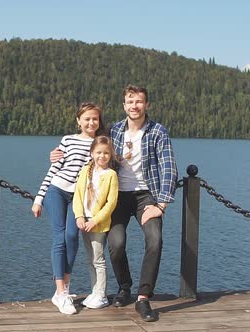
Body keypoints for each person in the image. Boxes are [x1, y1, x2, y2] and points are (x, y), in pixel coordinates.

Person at [50, 85, 178, 322]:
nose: (135, 106)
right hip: (118, 195)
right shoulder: (115, 130)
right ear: (124, 105)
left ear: (146, 105)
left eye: (139, 101)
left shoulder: (158, 132)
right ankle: (124, 287)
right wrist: (59, 153)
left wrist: (160, 204)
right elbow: (91, 143)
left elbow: (169, 168)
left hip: (146, 196)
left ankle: (143, 297)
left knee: (155, 239)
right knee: (116, 244)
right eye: (130, 102)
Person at [32, 102, 106, 315]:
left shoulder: (100, 144)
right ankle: (61, 291)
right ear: (78, 121)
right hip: (57, 191)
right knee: (59, 237)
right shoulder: (68, 140)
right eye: (87, 118)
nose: (91, 122)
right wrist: (39, 198)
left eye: (95, 118)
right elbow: (53, 169)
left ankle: (64, 287)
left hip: (79, 197)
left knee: (72, 236)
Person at [72, 136, 119, 309]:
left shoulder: (111, 175)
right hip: (84, 222)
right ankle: (94, 290)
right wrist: (79, 216)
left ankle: (102, 294)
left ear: (111, 155)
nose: (102, 156)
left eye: (106, 153)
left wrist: (95, 220)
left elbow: (111, 203)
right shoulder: (86, 170)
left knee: (98, 259)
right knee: (89, 258)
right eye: (98, 152)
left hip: (98, 224)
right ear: (92, 153)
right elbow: (78, 194)